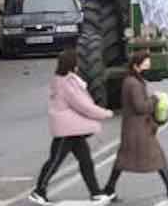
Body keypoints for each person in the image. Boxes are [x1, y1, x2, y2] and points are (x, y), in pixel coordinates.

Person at [29, 49, 114, 205]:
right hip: (66, 130)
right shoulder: (66, 83)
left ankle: (95, 192)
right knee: (55, 161)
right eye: (76, 62)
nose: (79, 65)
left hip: (73, 130)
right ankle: (39, 191)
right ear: (72, 64)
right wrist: (105, 113)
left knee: (86, 161)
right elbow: (83, 106)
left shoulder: (66, 80)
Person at [103, 52, 168, 201]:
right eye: (146, 62)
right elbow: (140, 107)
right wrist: (155, 99)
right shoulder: (133, 83)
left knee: (125, 159)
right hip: (138, 129)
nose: (149, 64)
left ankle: (109, 188)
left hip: (135, 128)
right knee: (154, 157)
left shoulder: (133, 80)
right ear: (136, 65)